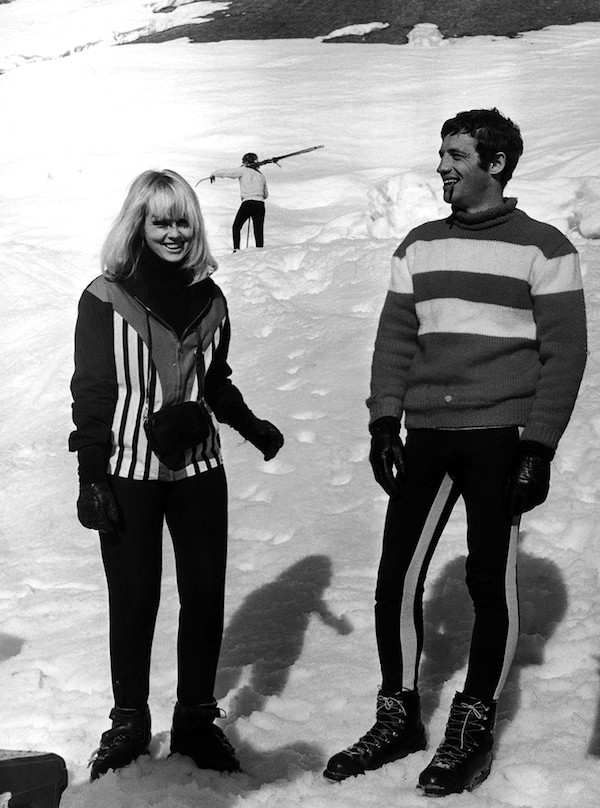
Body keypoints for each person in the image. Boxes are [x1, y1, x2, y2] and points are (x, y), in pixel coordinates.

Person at [323, 108, 587, 795]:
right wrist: (385, 423)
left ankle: (472, 722)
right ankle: (398, 715)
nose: (442, 165)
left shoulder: (546, 249)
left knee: (488, 581)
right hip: (428, 435)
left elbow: (564, 356)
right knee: (395, 580)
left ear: (495, 164)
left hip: (501, 437)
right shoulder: (417, 245)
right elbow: (395, 340)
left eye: (457, 154)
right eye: (442, 153)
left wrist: (540, 447)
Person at [69, 169, 284, 781]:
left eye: (182, 220)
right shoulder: (104, 297)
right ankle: (129, 720)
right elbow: (91, 391)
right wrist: (91, 474)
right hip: (127, 470)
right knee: (134, 598)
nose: (173, 232)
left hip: (198, 470)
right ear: (138, 223)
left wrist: (251, 425)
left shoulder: (212, 298)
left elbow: (215, 382)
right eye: (159, 220)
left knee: (203, 595)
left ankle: (194, 718)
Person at [211, 152, 268, 251]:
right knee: (258, 230)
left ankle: (236, 249)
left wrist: (214, 173)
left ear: (245, 162)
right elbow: (266, 194)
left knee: (236, 226)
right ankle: (260, 250)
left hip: (248, 202)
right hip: (260, 203)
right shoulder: (261, 175)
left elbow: (228, 172)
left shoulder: (243, 170)